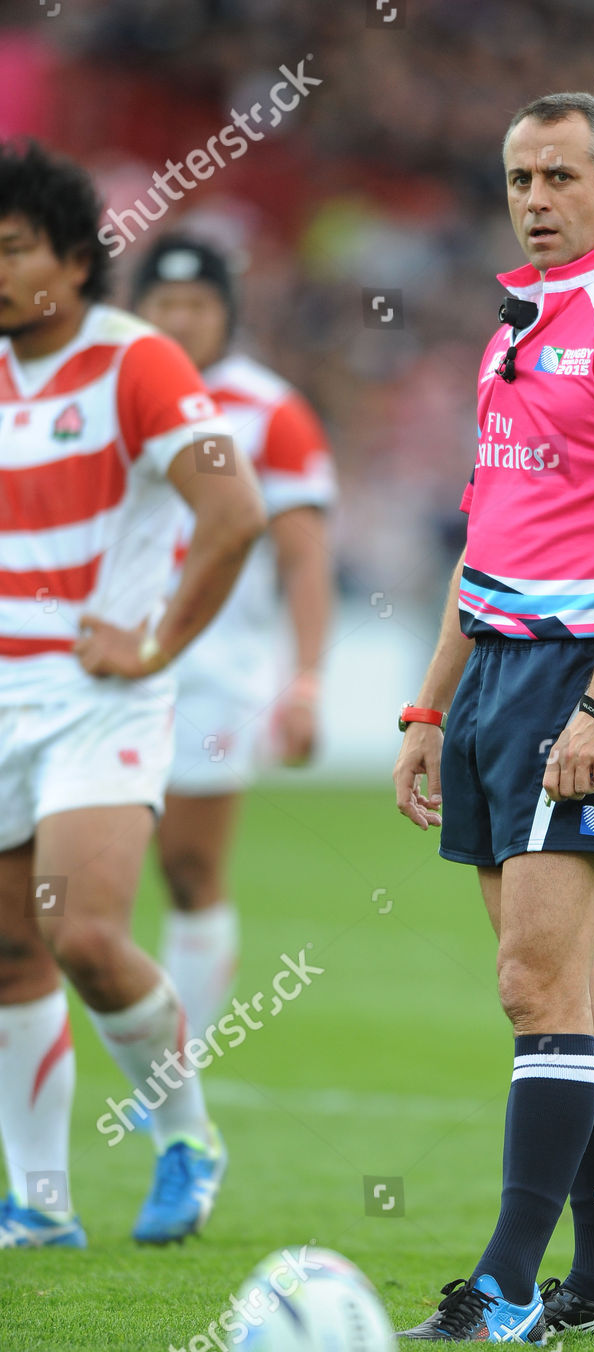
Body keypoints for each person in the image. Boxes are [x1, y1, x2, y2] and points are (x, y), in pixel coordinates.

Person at [392, 92, 594, 1341]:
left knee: (532, 983)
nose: (534, 199)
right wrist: (430, 701)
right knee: (569, 993)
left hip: (583, 672)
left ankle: (504, 1288)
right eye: (519, 178)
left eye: (560, 177)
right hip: (494, 673)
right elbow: (486, 542)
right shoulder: (514, 331)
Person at [0, 141, 265, 1247]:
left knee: (87, 935)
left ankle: (186, 1139)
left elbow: (235, 514)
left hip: (100, 700)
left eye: (12, 250)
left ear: (72, 258)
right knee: (11, 955)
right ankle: (40, 1202)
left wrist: (155, 645)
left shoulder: (137, 363)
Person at [131, 235, 335, 1045]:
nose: (180, 320)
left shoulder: (269, 410)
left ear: (228, 315)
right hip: (96, 664)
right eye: (164, 304)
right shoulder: (105, 392)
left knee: (187, 866)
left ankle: (174, 1062)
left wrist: (308, 678)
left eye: (198, 306)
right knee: (60, 877)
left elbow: (305, 556)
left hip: (213, 673)